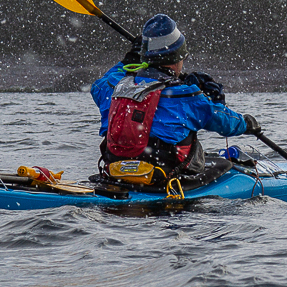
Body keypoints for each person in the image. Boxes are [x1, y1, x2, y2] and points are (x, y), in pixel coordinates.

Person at [90, 14, 261, 192]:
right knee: (223, 164)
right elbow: (223, 121)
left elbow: (100, 84)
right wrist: (247, 123)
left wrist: (130, 58)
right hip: (164, 179)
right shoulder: (186, 96)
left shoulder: (114, 88)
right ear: (175, 59)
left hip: (116, 174)